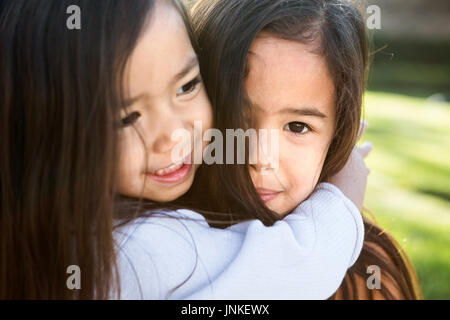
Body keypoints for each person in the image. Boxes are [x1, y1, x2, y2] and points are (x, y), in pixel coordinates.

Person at [0, 0, 365, 299]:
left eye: (187, 86)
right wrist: (343, 192)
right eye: (126, 118)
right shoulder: (141, 250)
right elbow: (297, 270)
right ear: (46, 128)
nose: (174, 136)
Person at [188, 0, 422, 299]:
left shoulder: (366, 274)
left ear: (338, 136)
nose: (260, 157)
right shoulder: (143, 240)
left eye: (297, 127)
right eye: (235, 117)